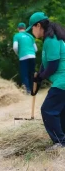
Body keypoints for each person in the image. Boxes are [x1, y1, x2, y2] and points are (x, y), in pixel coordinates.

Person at [27, 12, 65, 150]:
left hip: (63, 81)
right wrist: (38, 77)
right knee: (60, 111)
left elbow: (53, 65)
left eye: (32, 28)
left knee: (48, 110)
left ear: (38, 25)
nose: (32, 31)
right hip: (62, 82)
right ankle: (63, 140)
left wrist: (41, 76)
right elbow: (47, 63)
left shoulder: (51, 39)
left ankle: (60, 142)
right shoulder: (50, 38)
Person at [13, 22, 38, 94]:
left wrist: (18, 54)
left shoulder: (17, 36)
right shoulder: (30, 36)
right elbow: (36, 49)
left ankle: (27, 91)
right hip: (32, 56)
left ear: (18, 29)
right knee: (31, 73)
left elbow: (15, 47)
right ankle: (33, 89)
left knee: (25, 74)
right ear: (25, 28)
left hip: (23, 57)